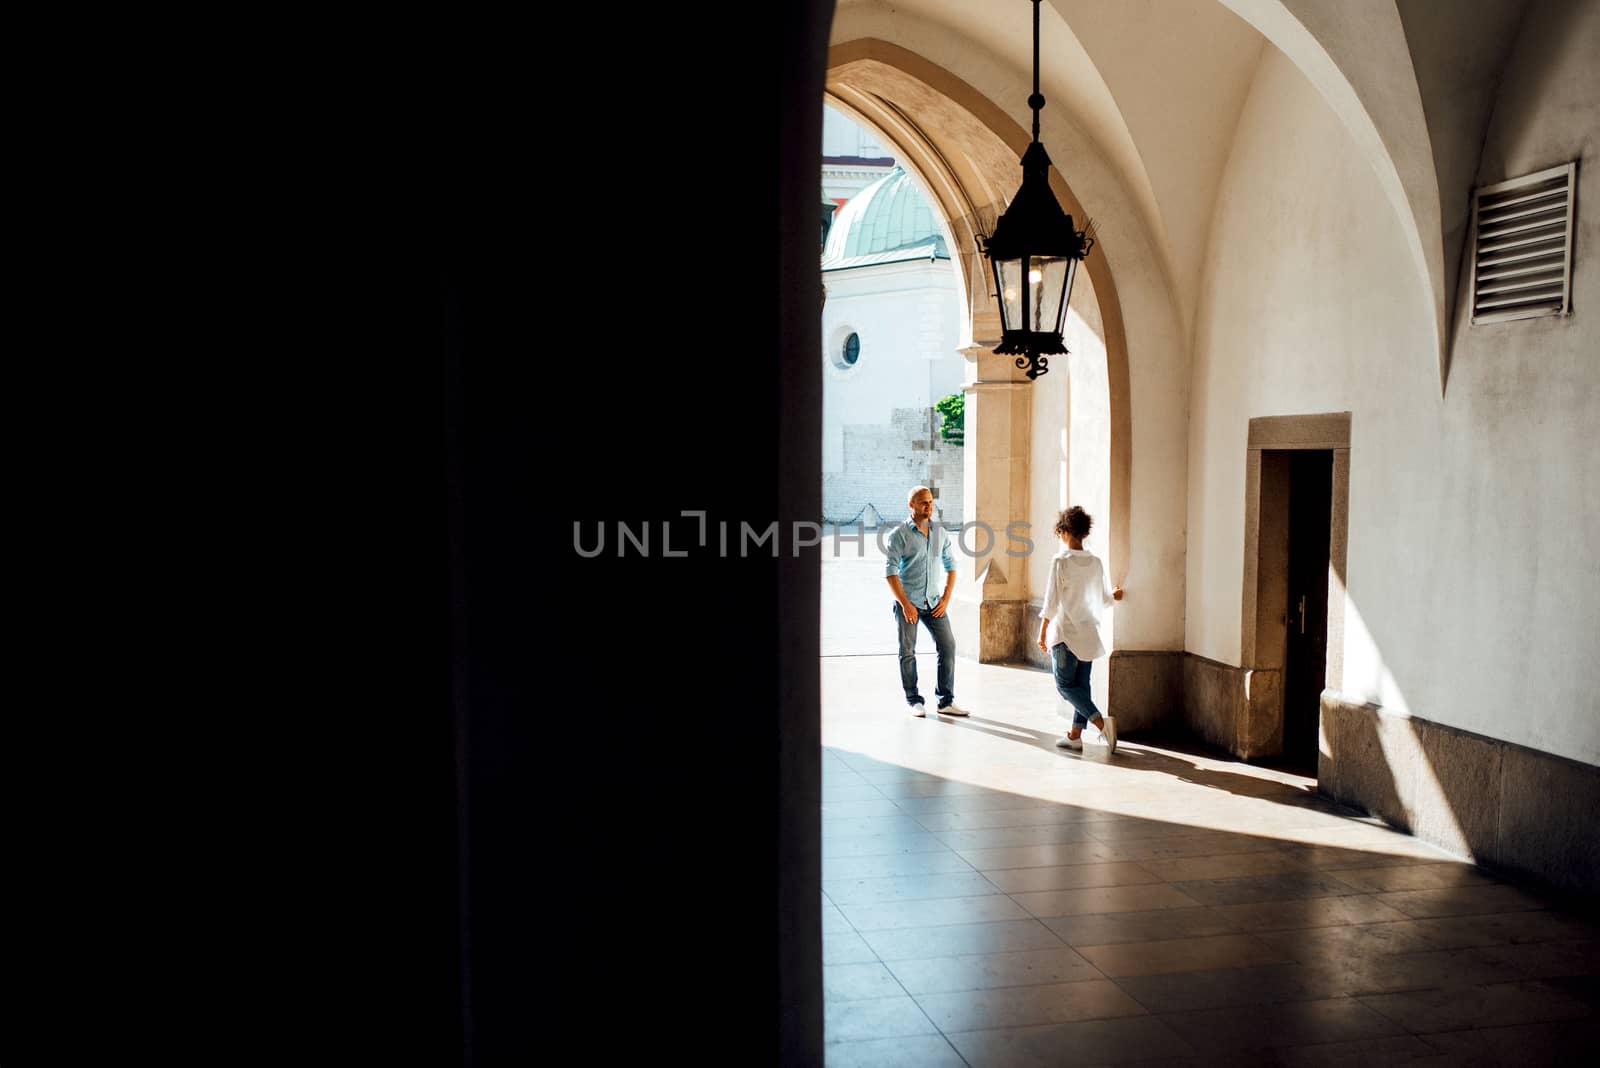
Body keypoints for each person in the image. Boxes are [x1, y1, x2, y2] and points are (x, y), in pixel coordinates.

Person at [1036, 505, 1123, 752]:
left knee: (1065, 686)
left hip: (1065, 634)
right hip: (1089, 634)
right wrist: (1114, 594)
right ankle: (1075, 736)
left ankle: (1101, 724)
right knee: (1082, 686)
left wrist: (1042, 631)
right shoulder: (1095, 562)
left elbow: (1051, 601)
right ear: (1084, 532)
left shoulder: (1060, 561)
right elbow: (1103, 598)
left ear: (1064, 531)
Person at [884, 486, 966, 717]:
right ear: (911, 505)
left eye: (930, 502)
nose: (928, 506)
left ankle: (945, 701)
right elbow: (890, 573)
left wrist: (946, 597)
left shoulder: (940, 533)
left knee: (948, 646)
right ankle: (913, 700)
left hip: (933, 602)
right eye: (923, 502)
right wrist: (905, 604)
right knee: (907, 651)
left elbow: (951, 566)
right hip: (908, 603)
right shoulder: (899, 534)